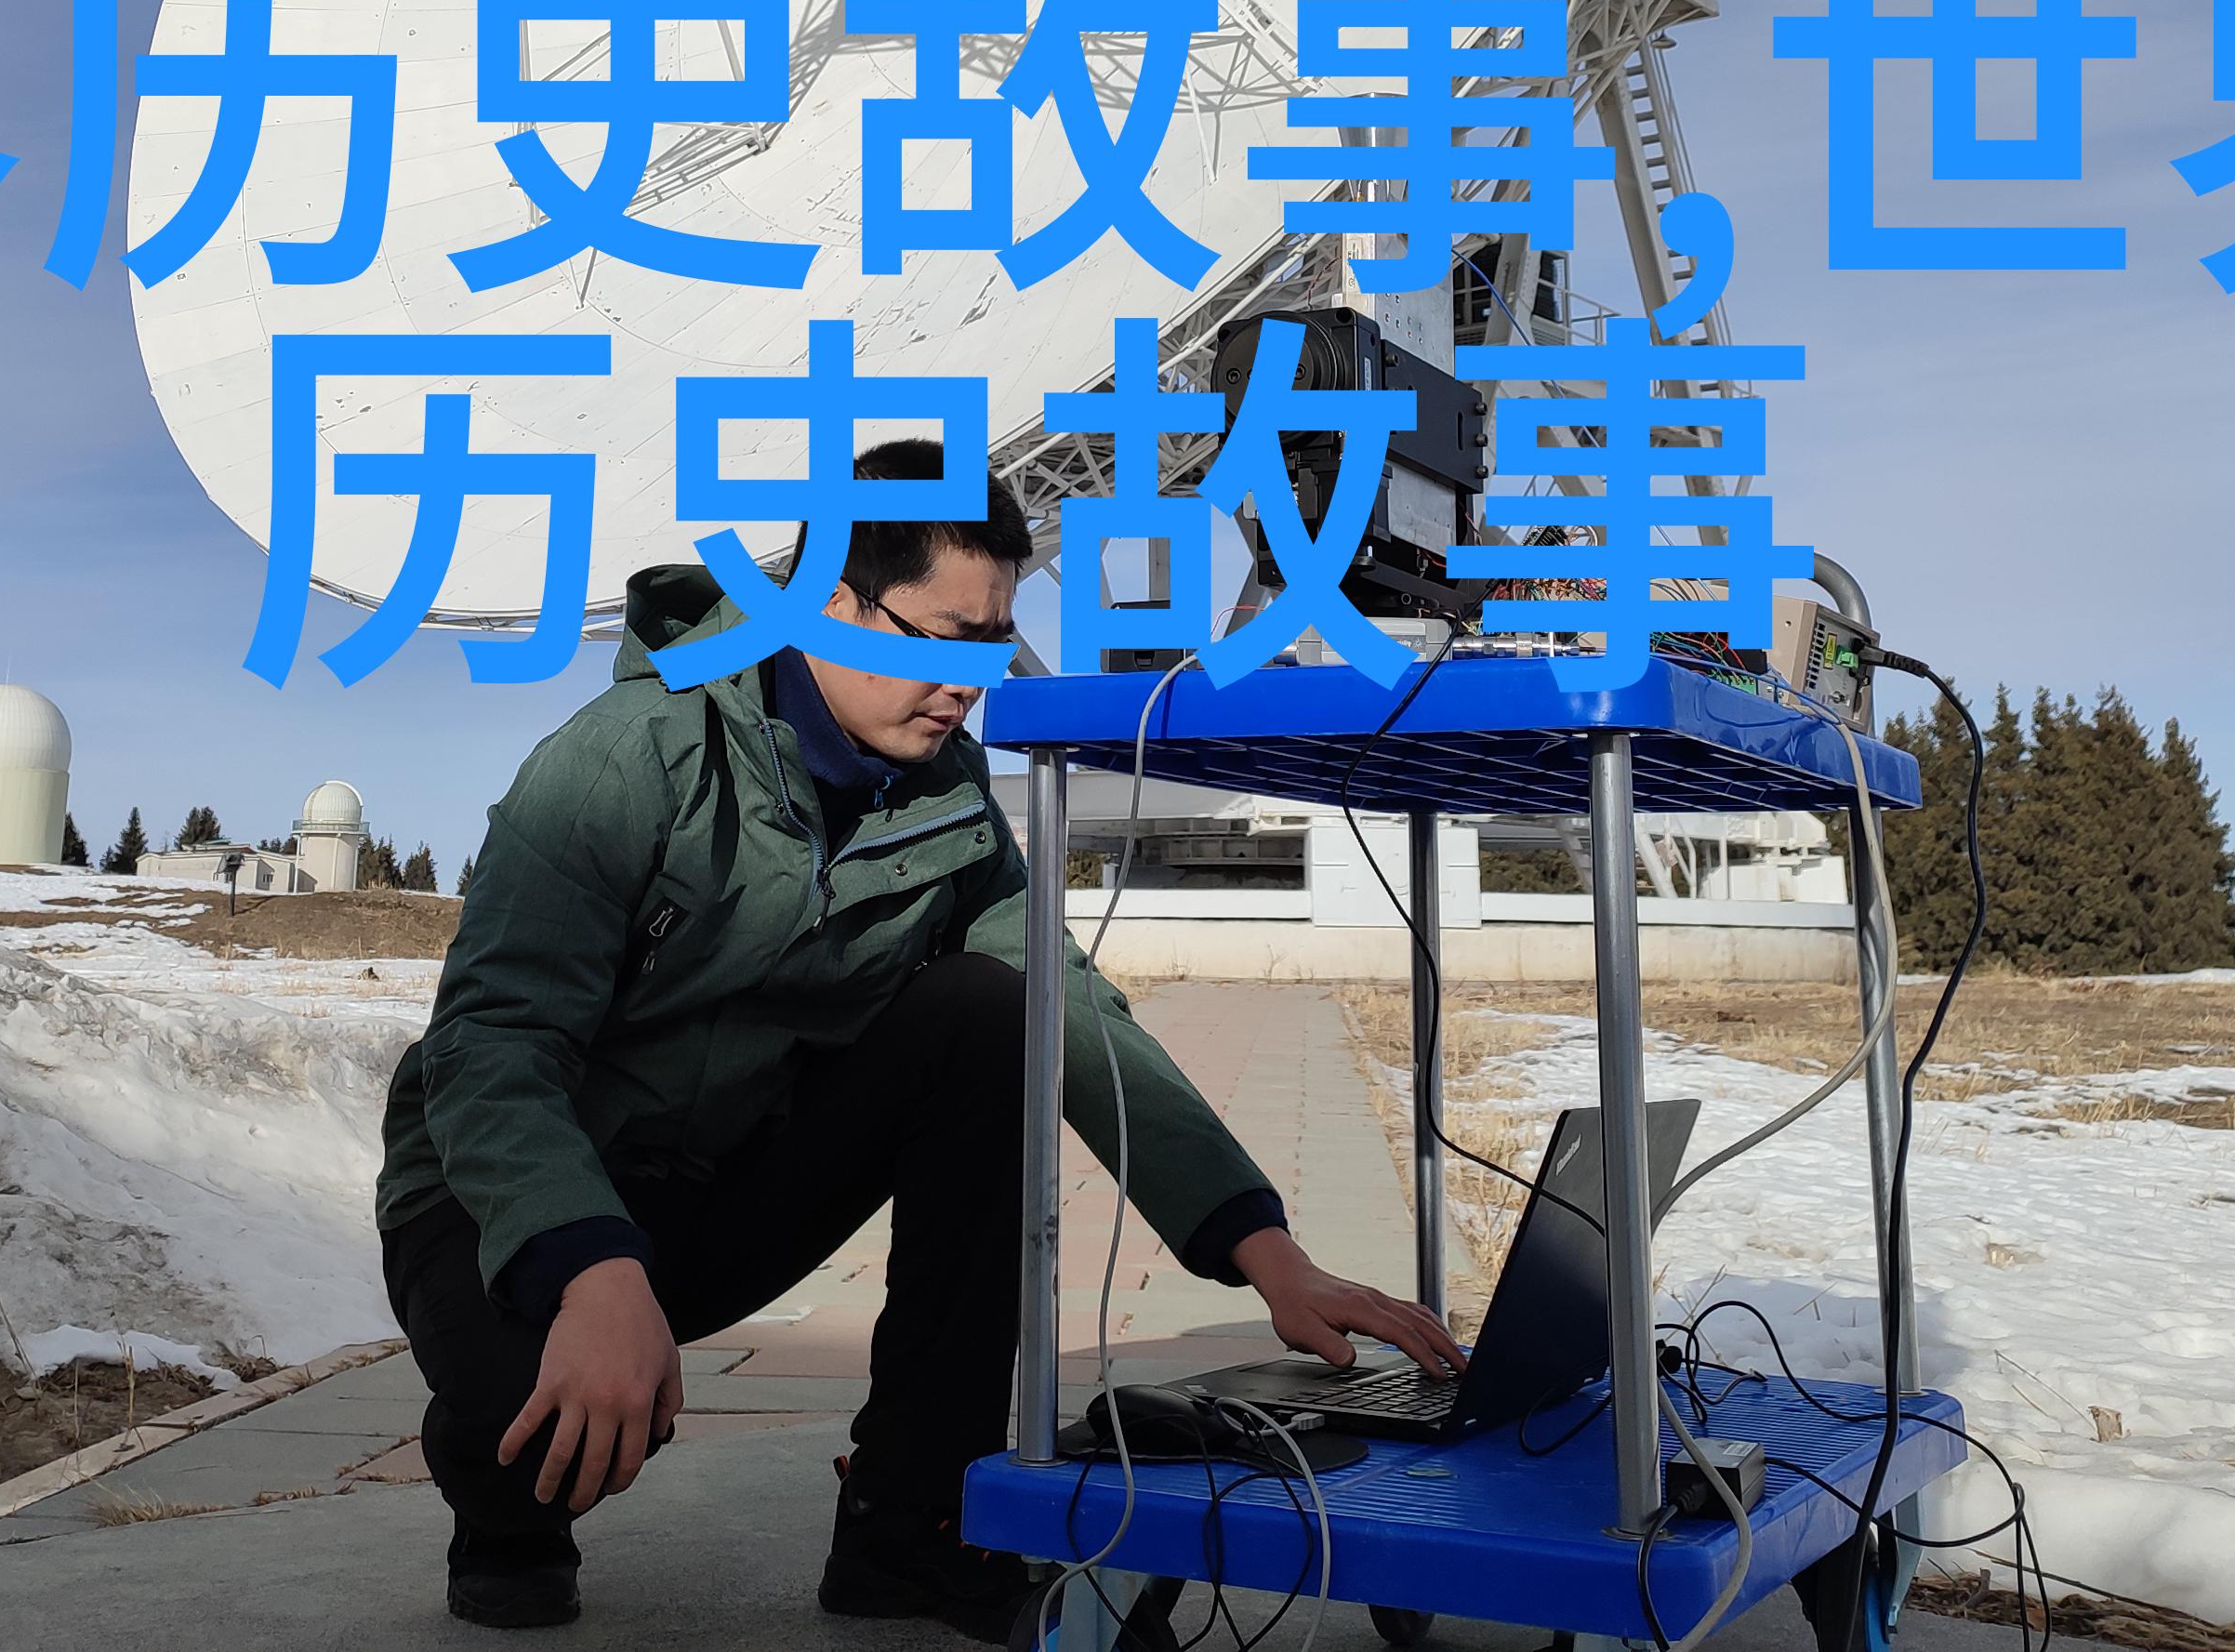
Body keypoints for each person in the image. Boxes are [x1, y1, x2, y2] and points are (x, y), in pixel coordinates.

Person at [378, 442, 1458, 1636]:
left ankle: (912, 1522)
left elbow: (1069, 1006)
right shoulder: (626, 760)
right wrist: (590, 1268)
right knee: (534, 1425)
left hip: (716, 1185)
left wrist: (1266, 1252)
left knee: (988, 1014)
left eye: (992, 645)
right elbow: (494, 1048)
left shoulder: (946, 794)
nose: (968, 686)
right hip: (498, 1198)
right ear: (833, 604)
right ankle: (505, 1511)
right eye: (943, 641)